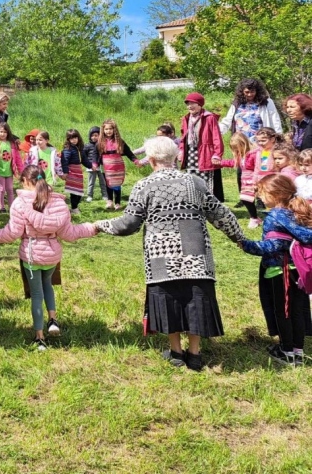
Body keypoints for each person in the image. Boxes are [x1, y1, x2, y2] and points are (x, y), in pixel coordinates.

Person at [94, 137, 245, 371]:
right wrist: (239, 238)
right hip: (197, 252)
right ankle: (194, 355)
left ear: (152, 160)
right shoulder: (195, 181)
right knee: (196, 298)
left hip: (160, 255)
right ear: (176, 157)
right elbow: (220, 214)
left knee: (169, 299)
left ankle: (176, 352)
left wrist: (99, 225)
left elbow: (128, 224)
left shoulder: (144, 186)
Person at [0, 165, 96, 350]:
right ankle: (53, 320)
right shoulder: (58, 203)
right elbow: (69, 233)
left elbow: (11, 233)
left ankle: (40, 338)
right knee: (48, 285)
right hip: (52, 256)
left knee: (36, 295)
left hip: (31, 256)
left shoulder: (20, 204)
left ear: (25, 181)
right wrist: (93, 228)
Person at [239, 174, 312, 366]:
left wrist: (245, 245)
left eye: (262, 193)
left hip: (281, 271)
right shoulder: (293, 211)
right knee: (296, 311)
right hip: (296, 270)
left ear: (276, 194)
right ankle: (297, 351)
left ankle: (285, 350)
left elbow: (273, 246)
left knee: (283, 312)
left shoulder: (277, 215)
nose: (260, 198)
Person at [179, 92, 225, 202]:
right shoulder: (186, 118)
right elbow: (183, 137)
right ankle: (194, 202)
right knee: (191, 177)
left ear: (200, 104)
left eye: (193, 103)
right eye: (188, 104)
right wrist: (181, 151)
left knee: (206, 177)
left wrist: (217, 154)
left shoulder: (209, 118)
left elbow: (216, 137)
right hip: (191, 152)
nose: (190, 106)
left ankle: (209, 204)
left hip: (206, 153)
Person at [219, 133, 262, 228]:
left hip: (253, 179)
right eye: (234, 148)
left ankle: (255, 218)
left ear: (244, 144)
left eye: (237, 147)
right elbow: (234, 163)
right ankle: (254, 218)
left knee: (249, 199)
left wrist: (256, 180)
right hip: (245, 180)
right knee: (245, 199)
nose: (236, 150)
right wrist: (221, 162)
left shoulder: (254, 153)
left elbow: (257, 167)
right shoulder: (241, 155)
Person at [219, 78, 283, 140]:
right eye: (247, 92)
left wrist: (279, 137)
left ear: (257, 91)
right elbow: (227, 121)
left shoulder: (266, 102)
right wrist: (217, 131)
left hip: (261, 141)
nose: (249, 94)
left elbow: (275, 120)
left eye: (252, 92)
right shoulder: (237, 103)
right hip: (241, 142)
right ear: (242, 91)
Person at [99, 120, 137, 211]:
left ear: (114, 129)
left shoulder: (119, 141)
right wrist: (94, 163)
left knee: (117, 184)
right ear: (103, 130)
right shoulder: (100, 142)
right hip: (105, 166)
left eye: (110, 129)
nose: (108, 131)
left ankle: (117, 203)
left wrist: (135, 160)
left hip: (117, 166)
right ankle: (109, 201)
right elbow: (96, 154)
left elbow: (128, 152)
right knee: (108, 184)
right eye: (106, 129)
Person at [0, 123, 22, 213]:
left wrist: (21, 169)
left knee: (10, 189)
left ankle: (12, 207)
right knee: (1, 189)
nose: (2, 134)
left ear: (8, 133)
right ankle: (1, 207)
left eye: (5, 132)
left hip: (9, 171)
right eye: (1, 131)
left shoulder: (12, 144)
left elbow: (17, 158)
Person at [60, 129, 88, 215]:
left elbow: (84, 160)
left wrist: (92, 166)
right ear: (68, 139)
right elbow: (64, 161)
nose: (74, 140)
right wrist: (65, 172)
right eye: (71, 138)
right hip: (71, 171)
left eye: (75, 137)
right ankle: (74, 208)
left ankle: (74, 207)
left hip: (78, 172)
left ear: (78, 137)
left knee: (79, 191)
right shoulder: (68, 149)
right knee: (74, 191)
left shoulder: (79, 148)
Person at [83, 127, 107, 203]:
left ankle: (105, 195)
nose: (94, 137)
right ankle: (89, 196)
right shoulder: (87, 146)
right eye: (92, 135)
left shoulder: (102, 145)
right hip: (91, 167)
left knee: (103, 181)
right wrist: (89, 164)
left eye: (96, 135)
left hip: (101, 166)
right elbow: (84, 155)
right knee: (91, 182)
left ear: (100, 136)